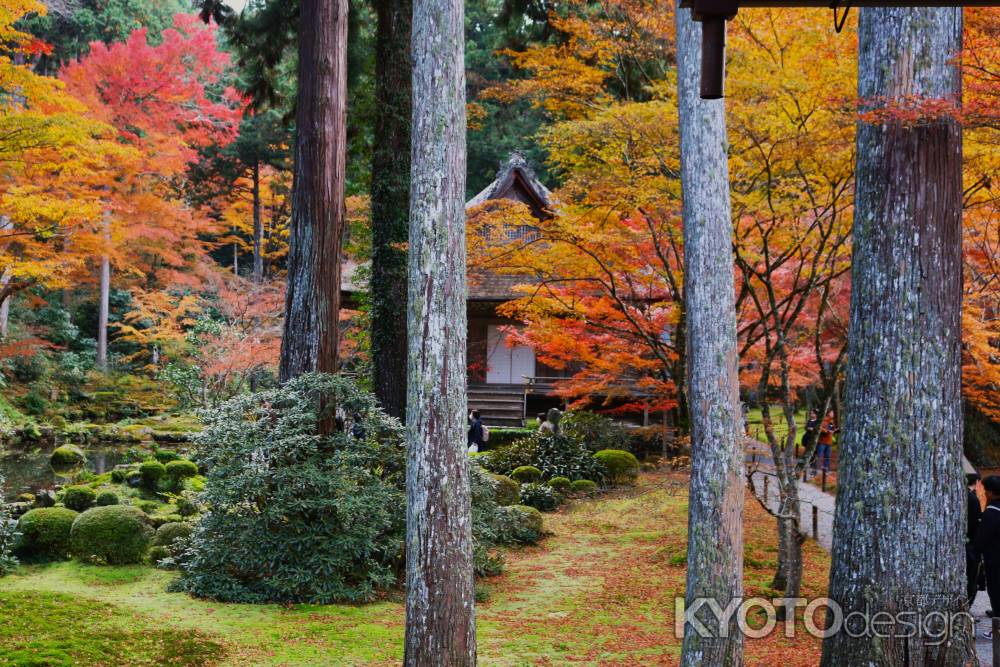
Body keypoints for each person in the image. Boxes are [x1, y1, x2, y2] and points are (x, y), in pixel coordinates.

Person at [974, 475, 1000, 637]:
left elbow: (981, 539)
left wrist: (974, 551)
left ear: (990, 492)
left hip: (995, 560)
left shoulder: (991, 512)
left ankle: (998, 629)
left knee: (996, 593)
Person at [968, 473, 983, 607]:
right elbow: (975, 523)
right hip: (971, 542)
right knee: (972, 575)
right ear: (977, 482)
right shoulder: (973, 498)